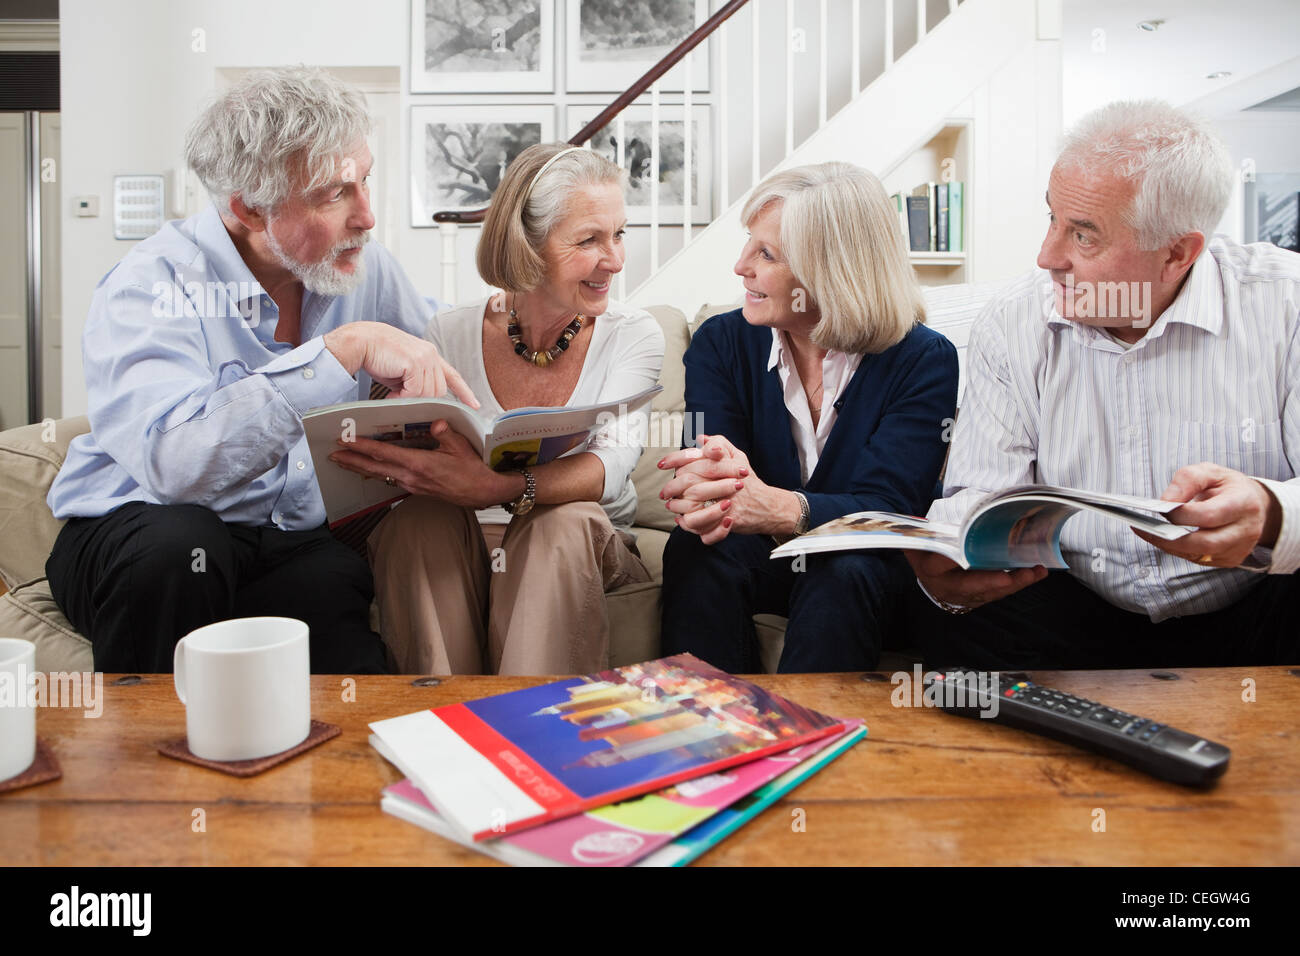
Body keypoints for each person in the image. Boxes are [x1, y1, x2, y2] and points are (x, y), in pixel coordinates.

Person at [45, 67, 477, 675]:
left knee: (332, 592)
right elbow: (176, 469)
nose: (368, 218)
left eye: (365, 183)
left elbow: (446, 347)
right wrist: (340, 353)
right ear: (249, 208)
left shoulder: (363, 266)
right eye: (334, 195)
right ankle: (155, 763)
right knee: (182, 546)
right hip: (138, 532)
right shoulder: (150, 285)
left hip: (281, 542)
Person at [907, 99, 1300, 669]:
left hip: (1255, 603)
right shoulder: (1015, 322)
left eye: (1084, 236)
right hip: (1072, 602)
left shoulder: (1286, 303)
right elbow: (983, 494)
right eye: (1052, 219)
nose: (1047, 257)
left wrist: (1272, 511)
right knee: (932, 607)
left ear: (1177, 253)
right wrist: (952, 559)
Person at [330, 143, 665, 675]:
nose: (616, 260)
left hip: (579, 540)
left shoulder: (634, 334)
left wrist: (497, 488)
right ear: (528, 246)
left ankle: (534, 730)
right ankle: (443, 722)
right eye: (589, 240)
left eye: (619, 234)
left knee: (561, 523)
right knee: (417, 522)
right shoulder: (449, 332)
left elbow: (615, 466)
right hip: (462, 533)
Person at [657, 162, 959, 673]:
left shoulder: (923, 359)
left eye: (766, 254)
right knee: (696, 548)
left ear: (831, 269)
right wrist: (701, 489)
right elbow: (712, 465)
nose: (740, 267)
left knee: (846, 566)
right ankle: (703, 724)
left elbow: (888, 510)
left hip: (870, 572)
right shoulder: (722, 342)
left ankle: (811, 739)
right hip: (765, 559)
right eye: (749, 244)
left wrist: (782, 508)